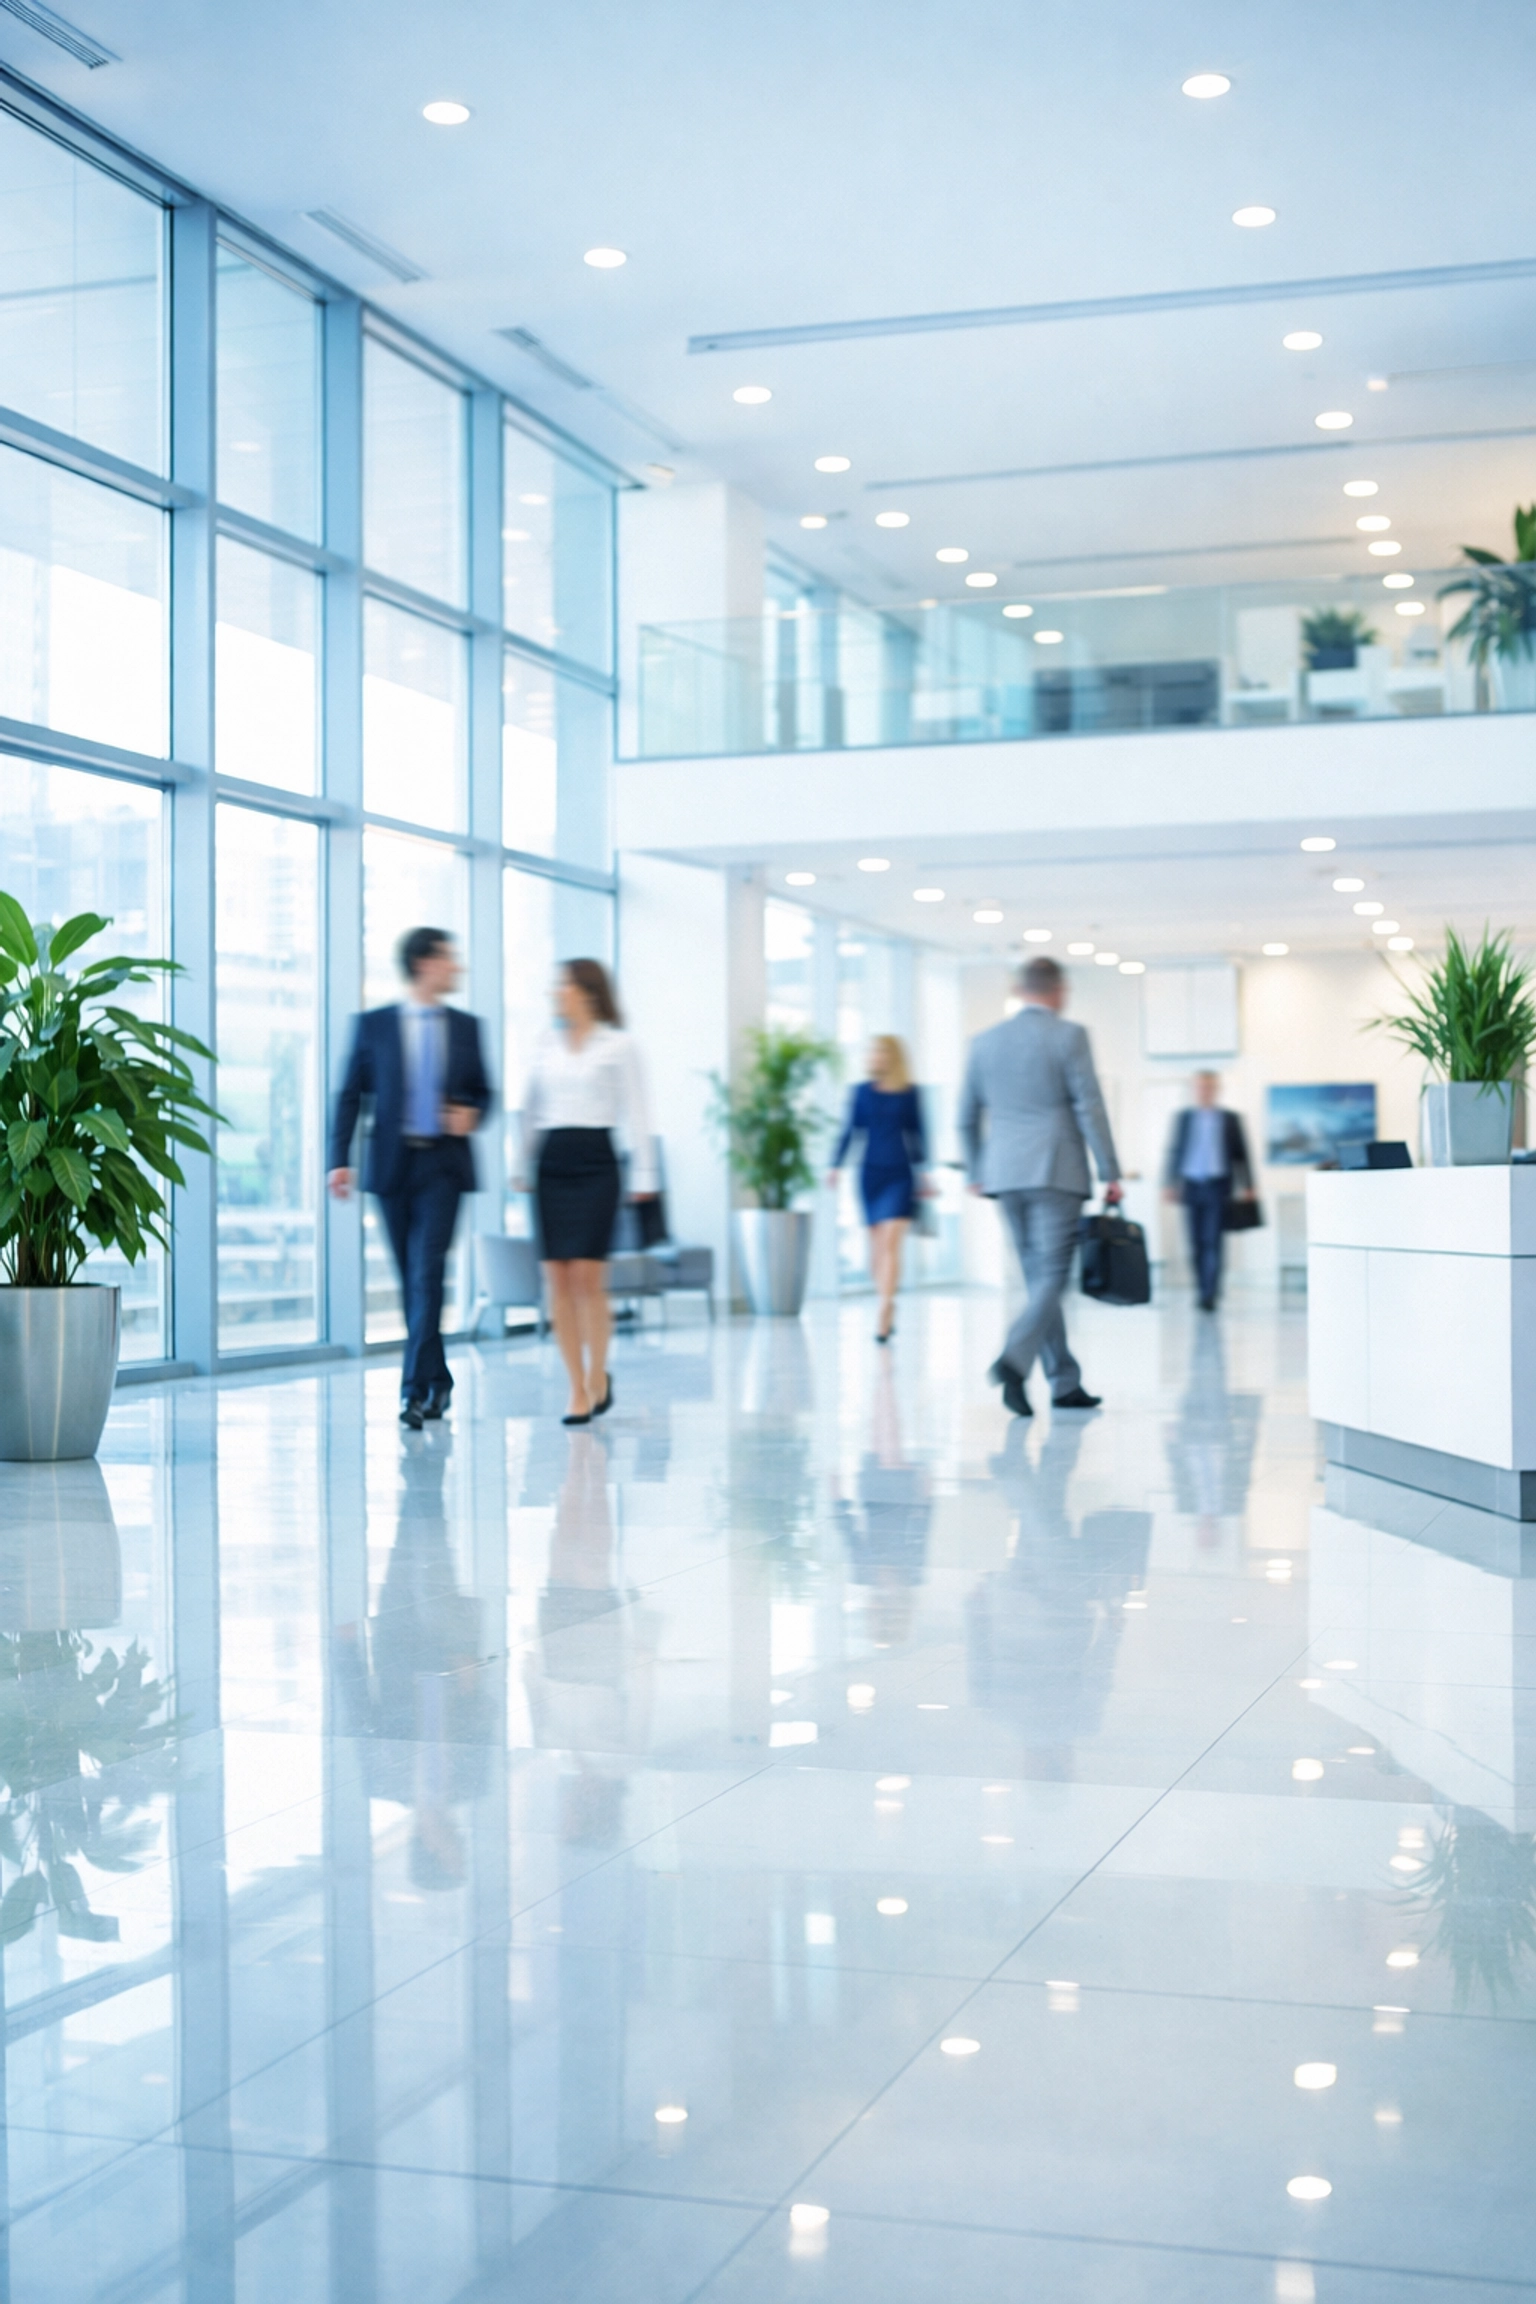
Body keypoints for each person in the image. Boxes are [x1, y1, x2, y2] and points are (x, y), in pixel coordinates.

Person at [329, 928, 493, 1431]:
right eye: (449, 959)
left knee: (426, 1275)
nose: (457, 967)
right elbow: (350, 1093)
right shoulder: (375, 1025)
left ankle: (413, 1392)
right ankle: (438, 1377)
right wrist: (339, 1158)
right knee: (411, 1281)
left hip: (443, 1167)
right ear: (425, 963)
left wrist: (472, 1114)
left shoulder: (465, 1027)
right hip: (393, 1166)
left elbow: (484, 1092)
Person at [959, 953, 1122, 1420]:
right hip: (1057, 1170)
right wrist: (1110, 1170)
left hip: (1004, 1175)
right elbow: (1089, 1105)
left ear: (1019, 989)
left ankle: (1064, 1382)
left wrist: (976, 1170)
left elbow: (965, 1116)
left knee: (1039, 1279)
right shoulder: (1069, 1035)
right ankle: (1014, 1359)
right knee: (1052, 1275)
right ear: (1058, 990)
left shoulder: (984, 1041)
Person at [521, 959, 655, 1428]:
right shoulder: (544, 1043)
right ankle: (576, 1386)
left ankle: (598, 1373)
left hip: (597, 1161)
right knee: (557, 1278)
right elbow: (530, 1109)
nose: (556, 993)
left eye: (563, 985)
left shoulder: (619, 1045)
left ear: (585, 991)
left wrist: (645, 1176)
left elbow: (639, 1113)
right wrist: (522, 1162)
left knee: (586, 1278)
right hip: (552, 1163)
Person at [826, 1034, 929, 1343]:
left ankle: (884, 1309)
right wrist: (835, 1165)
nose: (876, 1057)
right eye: (873, 1052)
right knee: (875, 1249)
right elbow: (849, 1132)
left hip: (900, 1173)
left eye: (882, 1052)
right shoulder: (860, 1092)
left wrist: (925, 1174)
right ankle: (887, 1299)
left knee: (890, 1243)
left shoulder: (910, 1093)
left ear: (893, 1056)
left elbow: (919, 1134)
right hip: (869, 1174)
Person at [1162, 1070, 1256, 1312]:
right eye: (1200, 1087)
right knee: (1195, 1242)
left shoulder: (1230, 1119)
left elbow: (1242, 1155)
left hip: (1218, 1185)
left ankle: (1210, 1293)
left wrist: (1249, 1185)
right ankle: (1201, 1287)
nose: (1205, 1091)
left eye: (1209, 1087)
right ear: (1194, 1089)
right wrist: (1169, 1183)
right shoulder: (1184, 1118)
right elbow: (1174, 1151)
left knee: (1213, 1240)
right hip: (1191, 1185)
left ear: (1216, 1089)